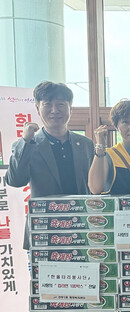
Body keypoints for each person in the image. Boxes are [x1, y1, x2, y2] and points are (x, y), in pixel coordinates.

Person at [5, 81, 94, 248]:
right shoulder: (27, 145)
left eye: (60, 104)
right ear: (38, 108)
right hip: (44, 230)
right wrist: (25, 140)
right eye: (47, 104)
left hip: (81, 228)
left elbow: (95, 186)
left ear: (70, 108)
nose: (54, 110)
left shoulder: (86, 144)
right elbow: (15, 180)